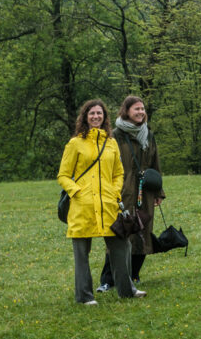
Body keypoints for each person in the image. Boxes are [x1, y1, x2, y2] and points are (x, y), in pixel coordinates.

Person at [57, 99, 146, 304]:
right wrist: (76, 191)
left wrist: (114, 192)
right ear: (85, 117)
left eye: (99, 113)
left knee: (121, 247)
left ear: (105, 117)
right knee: (81, 254)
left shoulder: (111, 142)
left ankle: (127, 290)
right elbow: (63, 175)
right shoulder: (75, 143)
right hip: (83, 206)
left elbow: (118, 173)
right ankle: (85, 296)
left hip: (108, 204)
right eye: (92, 113)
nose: (96, 117)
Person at [96, 96, 164, 293]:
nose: (141, 112)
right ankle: (108, 280)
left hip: (145, 192)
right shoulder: (115, 135)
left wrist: (159, 192)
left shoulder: (148, 135)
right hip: (122, 191)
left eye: (142, 109)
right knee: (120, 233)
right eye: (136, 109)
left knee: (142, 232)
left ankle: (134, 274)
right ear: (126, 111)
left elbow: (155, 164)